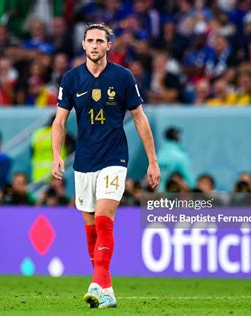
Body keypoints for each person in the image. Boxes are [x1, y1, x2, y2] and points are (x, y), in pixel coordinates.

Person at [51, 23, 160, 309]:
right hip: (84, 162)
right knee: (90, 230)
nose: (95, 45)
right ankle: (108, 290)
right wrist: (56, 155)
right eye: (91, 40)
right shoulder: (72, 79)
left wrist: (152, 161)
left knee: (103, 219)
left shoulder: (123, 77)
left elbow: (139, 118)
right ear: (84, 45)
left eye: (101, 40)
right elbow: (59, 121)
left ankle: (96, 283)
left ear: (109, 45)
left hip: (114, 159)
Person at [157, 127, 194, 191]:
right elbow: (190, 180)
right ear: (177, 137)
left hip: (157, 193)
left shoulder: (158, 154)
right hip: (172, 195)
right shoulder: (180, 156)